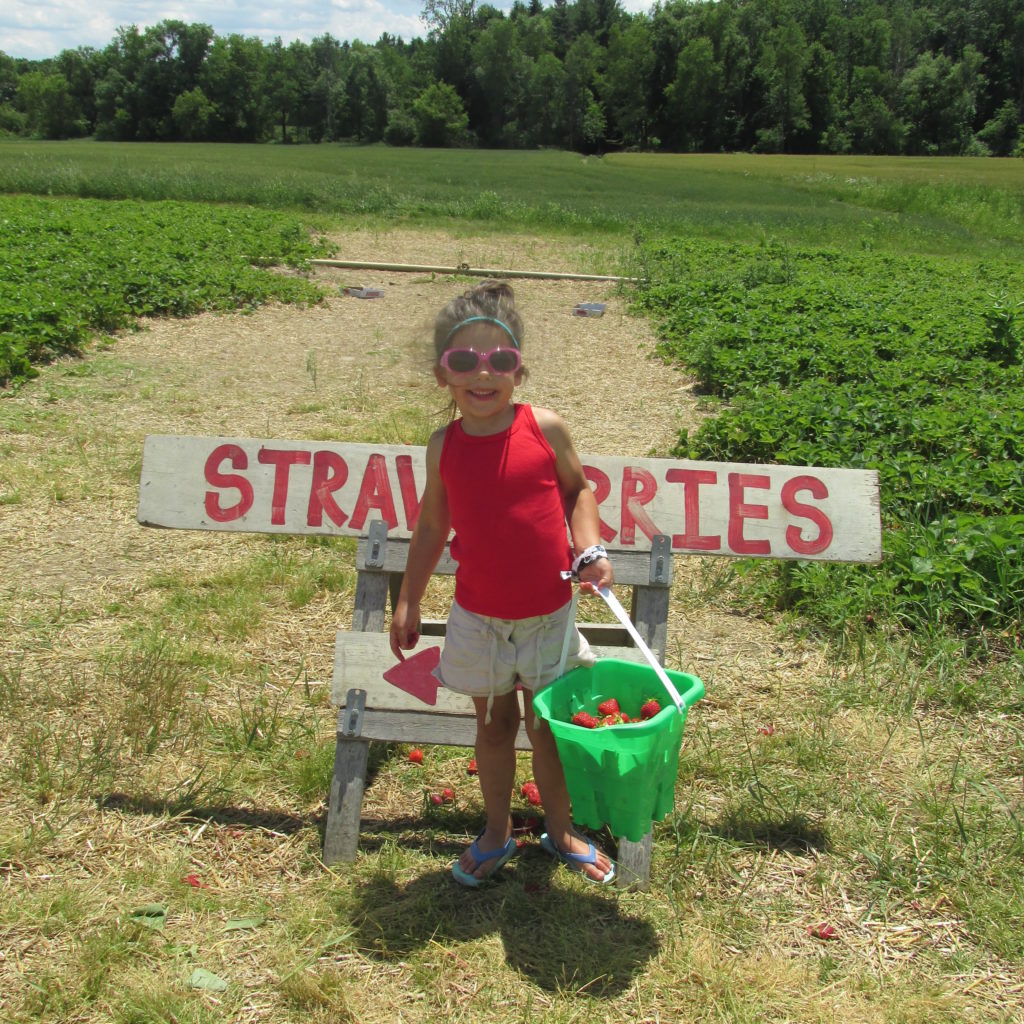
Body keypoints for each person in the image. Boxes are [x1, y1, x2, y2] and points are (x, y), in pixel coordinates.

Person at [389, 280, 617, 887]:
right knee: (492, 727)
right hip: (481, 618)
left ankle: (562, 829)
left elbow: (578, 491)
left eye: (500, 360)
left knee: (547, 726)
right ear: (442, 374)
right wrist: (408, 598)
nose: (481, 374)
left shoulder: (545, 427)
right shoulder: (444, 446)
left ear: (520, 370)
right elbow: (434, 523)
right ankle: (495, 831)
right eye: (464, 361)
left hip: (548, 615)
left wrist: (589, 545)